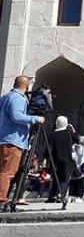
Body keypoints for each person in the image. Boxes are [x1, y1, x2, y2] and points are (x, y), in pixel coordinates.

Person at [0, 75, 46, 206]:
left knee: (4, 170)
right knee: (7, 172)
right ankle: (2, 200)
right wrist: (36, 119)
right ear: (26, 86)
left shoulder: (5, 97)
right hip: (13, 140)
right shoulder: (17, 98)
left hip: (4, 138)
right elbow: (16, 116)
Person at [47, 116, 79, 203]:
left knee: (56, 177)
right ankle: (60, 195)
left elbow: (49, 148)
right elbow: (77, 139)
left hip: (56, 159)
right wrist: (73, 129)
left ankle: (52, 196)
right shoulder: (68, 132)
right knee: (65, 178)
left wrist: (46, 158)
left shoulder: (52, 134)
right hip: (68, 159)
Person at [70, 135, 84, 200]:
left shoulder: (74, 148)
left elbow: (73, 157)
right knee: (80, 182)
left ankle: (71, 196)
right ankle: (78, 197)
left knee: (73, 182)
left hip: (74, 167)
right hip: (81, 167)